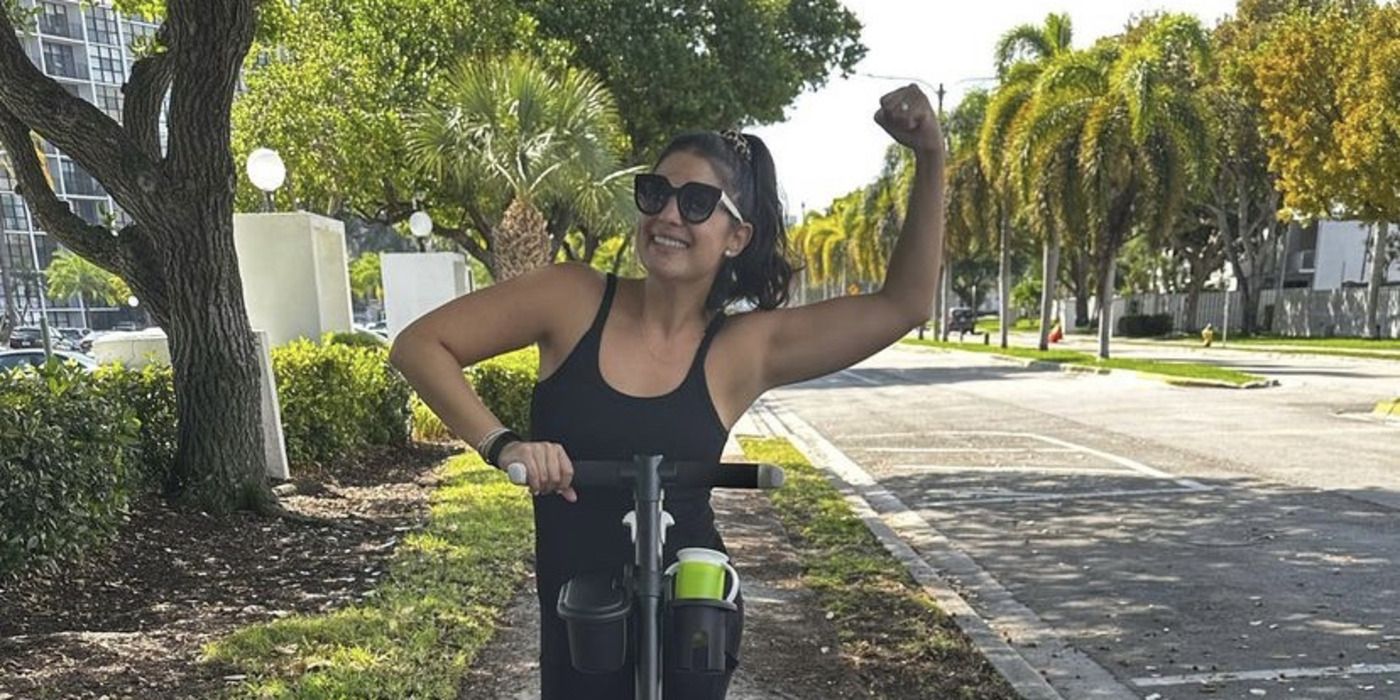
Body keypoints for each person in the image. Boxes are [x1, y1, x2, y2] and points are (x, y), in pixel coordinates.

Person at [389, 84, 945, 700]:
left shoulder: (744, 350)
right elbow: (420, 346)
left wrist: (930, 155)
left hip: (691, 615)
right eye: (656, 194)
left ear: (736, 236)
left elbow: (905, 303)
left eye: (699, 202)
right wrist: (505, 446)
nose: (670, 215)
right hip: (580, 615)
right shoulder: (571, 300)